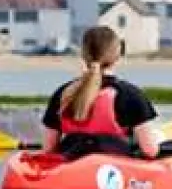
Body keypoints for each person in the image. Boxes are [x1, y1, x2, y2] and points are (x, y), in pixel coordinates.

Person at [41, 25, 162, 160]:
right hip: (116, 166)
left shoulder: (63, 93)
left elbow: (48, 148)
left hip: (71, 164)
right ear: (117, 55)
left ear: (83, 55)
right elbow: (150, 151)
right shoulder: (131, 95)